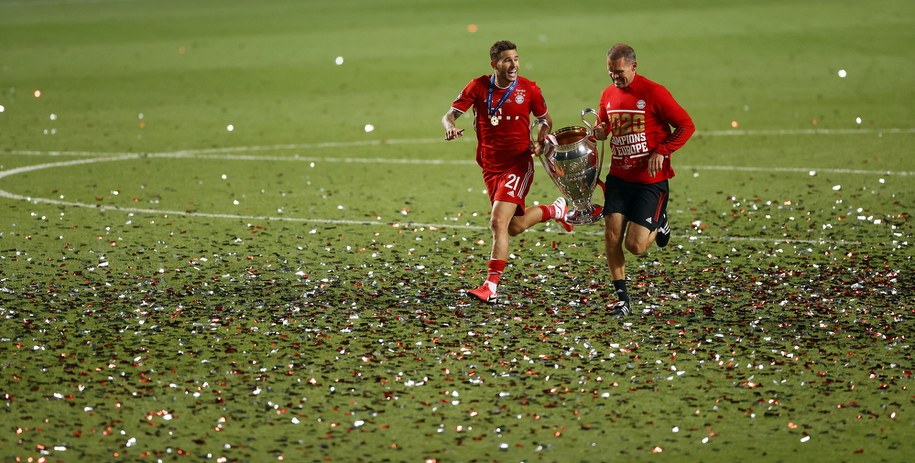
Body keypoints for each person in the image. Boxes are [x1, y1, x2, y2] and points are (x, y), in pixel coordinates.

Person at [442, 39, 573, 303]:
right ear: (494, 64)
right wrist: (449, 126)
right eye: (507, 60)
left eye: (515, 59)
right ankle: (556, 209)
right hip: (490, 166)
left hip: (518, 163)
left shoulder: (529, 89)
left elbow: (545, 119)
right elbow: (449, 115)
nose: (513, 65)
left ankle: (490, 287)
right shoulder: (478, 86)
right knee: (513, 226)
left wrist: (540, 139)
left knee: (497, 222)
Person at [592, 43, 695, 316]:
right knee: (612, 236)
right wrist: (600, 131)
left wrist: (663, 150)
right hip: (618, 179)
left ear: (634, 67)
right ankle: (623, 298)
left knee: (635, 246)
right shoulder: (607, 95)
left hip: (650, 181)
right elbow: (604, 126)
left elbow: (686, 125)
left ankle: (660, 221)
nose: (615, 77)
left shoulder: (653, 92)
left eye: (620, 72)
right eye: (611, 72)